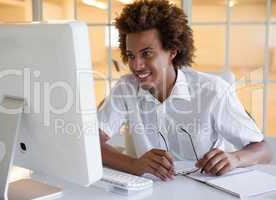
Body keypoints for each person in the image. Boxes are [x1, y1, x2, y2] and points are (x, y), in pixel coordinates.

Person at [97, 0, 272, 181]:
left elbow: (264, 150)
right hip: (152, 192)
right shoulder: (126, 88)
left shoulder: (213, 91)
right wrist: (134, 165)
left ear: (172, 51)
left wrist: (235, 158)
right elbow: (91, 143)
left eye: (146, 53)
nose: (136, 65)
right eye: (131, 55)